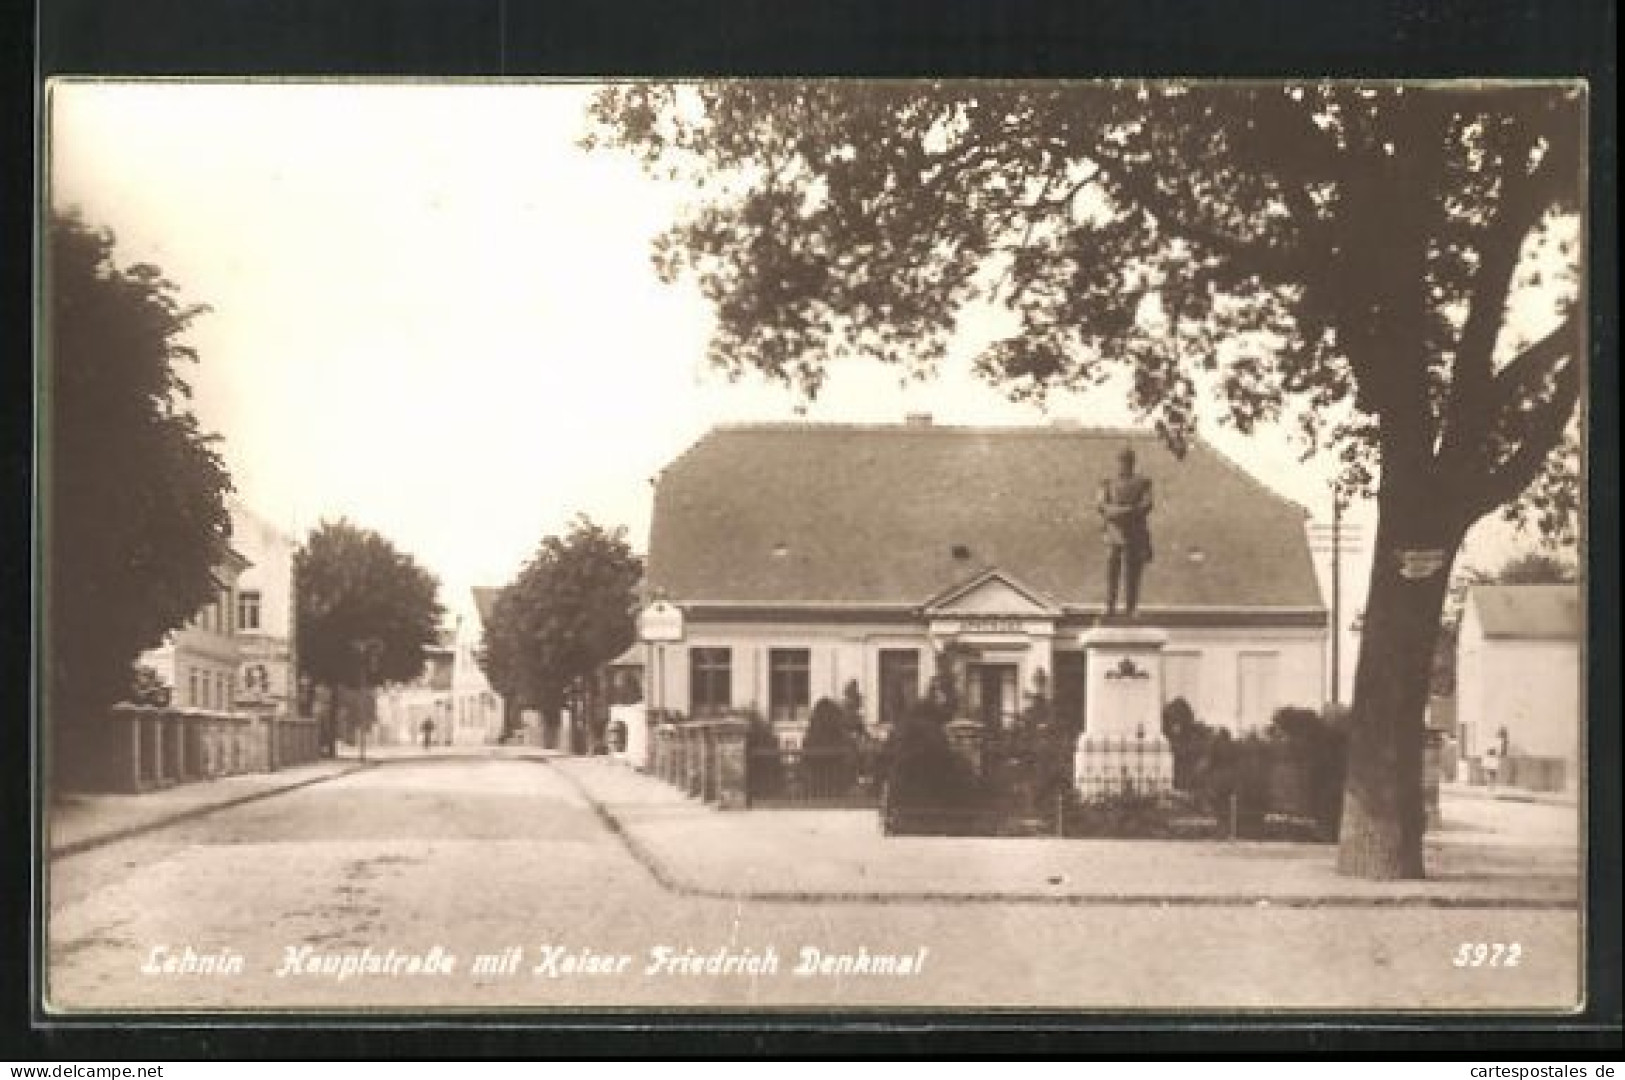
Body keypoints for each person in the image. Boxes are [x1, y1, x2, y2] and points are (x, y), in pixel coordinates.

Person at [1097, 445, 1155, 619]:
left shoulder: (1143, 482)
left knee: (1132, 569)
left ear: (1133, 463)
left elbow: (1147, 504)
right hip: (1114, 530)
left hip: (1134, 531)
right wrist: (1119, 511)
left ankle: (1131, 607)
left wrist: (1125, 512)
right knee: (1112, 567)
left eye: (1128, 462)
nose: (1124, 465)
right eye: (1121, 461)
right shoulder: (1107, 482)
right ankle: (1110, 605)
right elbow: (1100, 504)